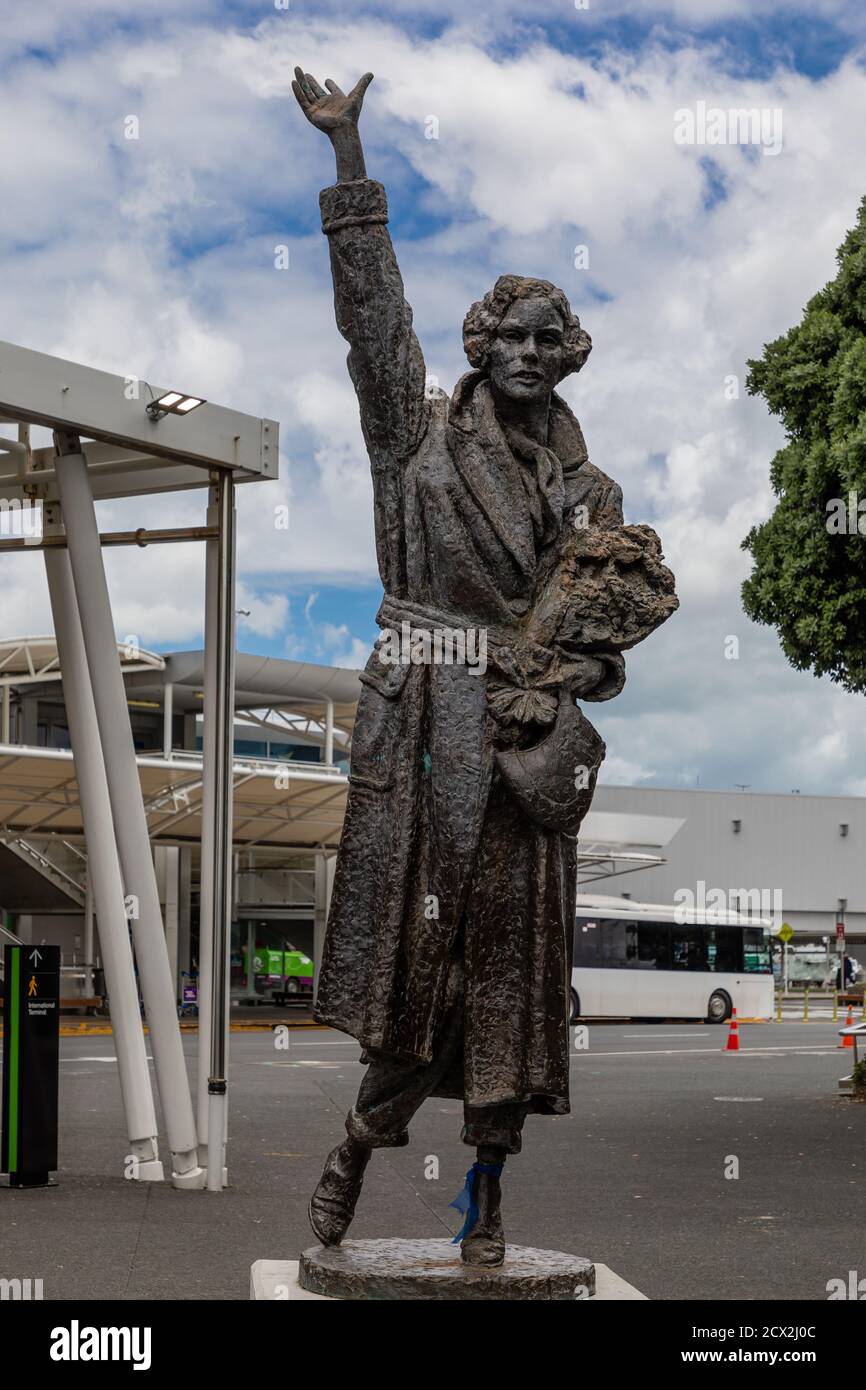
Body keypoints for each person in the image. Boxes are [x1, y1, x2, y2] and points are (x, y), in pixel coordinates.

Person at [292, 67, 676, 1266]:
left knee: (511, 983)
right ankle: (356, 1145)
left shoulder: (589, 494)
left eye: (543, 337)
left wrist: (567, 682)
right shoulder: (413, 441)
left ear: (567, 355)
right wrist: (351, 163)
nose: (522, 349)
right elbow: (371, 328)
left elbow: (599, 643)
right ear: (479, 342)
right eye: (504, 331)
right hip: (423, 737)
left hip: (520, 756)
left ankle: (489, 1198)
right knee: (418, 968)